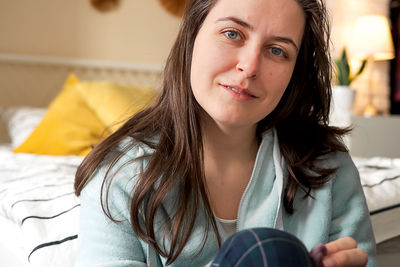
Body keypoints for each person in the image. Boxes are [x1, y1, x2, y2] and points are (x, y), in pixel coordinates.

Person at [74, 0, 377, 266]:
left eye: (277, 51)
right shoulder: (119, 178)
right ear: (192, 34)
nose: (249, 66)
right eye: (232, 34)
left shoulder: (328, 166)